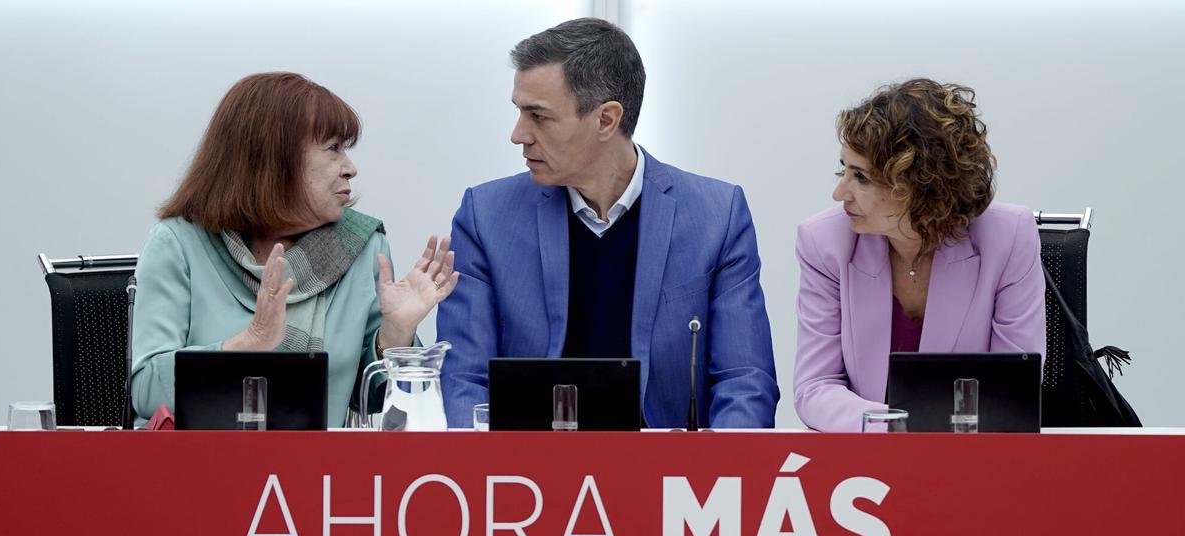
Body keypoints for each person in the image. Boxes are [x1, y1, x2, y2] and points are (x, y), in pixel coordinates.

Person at [436, 18, 778, 428]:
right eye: (519, 112)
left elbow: (745, 380)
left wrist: (709, 481)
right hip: (525, 472)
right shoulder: (485, 216)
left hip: (668, 476)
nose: (518, 134)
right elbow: (463, 380)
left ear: (606, 119)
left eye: (539, 117)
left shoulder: (717, 215)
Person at [131, 72, 459, 427]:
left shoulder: (361, 246)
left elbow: (379, 404)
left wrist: (395, 332)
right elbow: (147, 389)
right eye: (333, 148)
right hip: (202, 466)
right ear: (274, 159)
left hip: (315, 473)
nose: (351, 168)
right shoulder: (178, 243)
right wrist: (248, 344)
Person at [793, 78, 1046, 432]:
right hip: (865, 462)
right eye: (843, 170)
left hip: (975, 458)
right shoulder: (824, 242)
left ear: (921, 185)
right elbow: (815, 388)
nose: (839, 193)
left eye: (861, 178)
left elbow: (1009, 389)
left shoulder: (1008, 236)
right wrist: (895, 430)